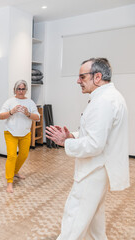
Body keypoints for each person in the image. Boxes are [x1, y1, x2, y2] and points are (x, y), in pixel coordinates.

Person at [46, 58, 129, 240]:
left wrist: (64, 142)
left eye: (82, 76)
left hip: (93, 171)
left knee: (73, 220)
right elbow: (98, 134)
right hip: (100, 170)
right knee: (94, 224)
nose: (78, 81)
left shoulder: (104, 102)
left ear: (97, 77)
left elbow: (94, 145)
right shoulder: (108, 97)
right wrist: (72, 136)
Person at [0, 80, 40, 193]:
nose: (21, 91)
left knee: (23, 155)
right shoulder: (9, 102)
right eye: (19, 89)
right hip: (10, 133)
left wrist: (28, 114)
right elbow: (1, 116)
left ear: (26, 90)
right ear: (15, 90)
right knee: (12, 156)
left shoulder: (30, 102)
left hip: (25, 133)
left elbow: (37, 117)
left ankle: (15, 171)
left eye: (23, 89)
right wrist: (11, 112)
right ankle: (9, 181)